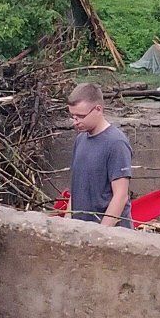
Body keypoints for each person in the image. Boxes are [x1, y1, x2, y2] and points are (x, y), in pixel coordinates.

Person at [65, 81, 134, 228]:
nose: (75, 122)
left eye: (81, 116)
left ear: (98, 109)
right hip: (81, 229)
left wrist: (101, 233)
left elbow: (120, 196)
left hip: (109, 233)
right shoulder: (80, 139)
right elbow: (76, 189)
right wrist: (66, 222)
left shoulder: (116, 143)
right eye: (73, 116)